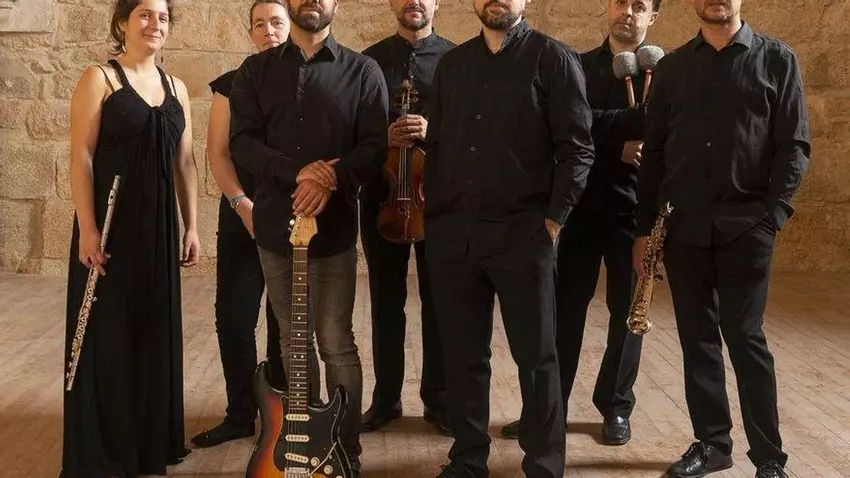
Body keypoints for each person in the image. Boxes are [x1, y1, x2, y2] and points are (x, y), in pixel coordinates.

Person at [635, 0, 810, 477]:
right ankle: (713, 445)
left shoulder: (777, 59)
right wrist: (645, 229)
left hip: (747, 229)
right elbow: (655, 154)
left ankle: (769, 459)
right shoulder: (672, 68)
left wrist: (772, 216)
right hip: (683, 229)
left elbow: (794, 145)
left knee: (746, 339)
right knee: (697, 341)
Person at [423, 0, 595, 476]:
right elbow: (436, 147)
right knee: (464, 357)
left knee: (537, 358)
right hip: (455, 236)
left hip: (524, 234)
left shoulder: (554, 59)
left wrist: (553, 221)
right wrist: (436, 220)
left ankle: (543, 464)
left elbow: (578, 150)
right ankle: (467, 459)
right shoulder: (452, 65)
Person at [228, 0, 389, 474]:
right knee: (293, 342)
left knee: (335, 339)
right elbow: (243, 143)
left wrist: (329, 178)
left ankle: (345, 450)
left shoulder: (363, 71)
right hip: (275, 229)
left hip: (334, 228)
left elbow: (374, 148)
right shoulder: (254, 72)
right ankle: (307, 441)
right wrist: (299, 173)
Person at [501, 0, 660, 445]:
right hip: (582, 208)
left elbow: (668, 130)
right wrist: (620, 142)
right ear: (608, 8)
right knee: (563, 313)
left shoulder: (666, 73)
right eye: (620, 2)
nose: (628, 12)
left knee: (629, 316)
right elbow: (566, 125)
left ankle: (616, 406)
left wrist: (604, 127)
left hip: (638, 215)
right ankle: (549, 409)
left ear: (652, 17)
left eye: (640, 6)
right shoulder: (577, 65)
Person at [62, 0, 200, 476]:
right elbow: (81, 156)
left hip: (160, 228)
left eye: (162, 17)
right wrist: (88, 228)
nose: (154, 24)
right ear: (123, 23)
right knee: (108, 337)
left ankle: (147, 444)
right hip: (110, 228)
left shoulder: (177, 87)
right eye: (144, 14)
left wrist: (192, 225)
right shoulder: (99, 78)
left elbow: (185, 162)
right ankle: (108, 449)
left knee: (151, 331)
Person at [191, 0, 317, 449]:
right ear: (250, 32)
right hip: (242, 214)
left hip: (294, 217)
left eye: (276, 23)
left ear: (290, 26)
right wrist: (242, 206)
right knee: (234, 316)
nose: (268, 31)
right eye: (259, 24)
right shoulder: (230, 84)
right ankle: (240, 413)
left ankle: (281, 413)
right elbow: (218, 154)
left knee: (286, 321)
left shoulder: (308, 82)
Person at [358, 0, 454, 436]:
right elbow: (351, 129)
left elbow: (472, 131)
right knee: (384, 301)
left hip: (437, 201)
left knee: (439, 302)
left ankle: (439, 399)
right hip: (383, 198)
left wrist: (432, 132)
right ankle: (386, 398)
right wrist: (383, 137)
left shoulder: (457, 61)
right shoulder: (368, 62)